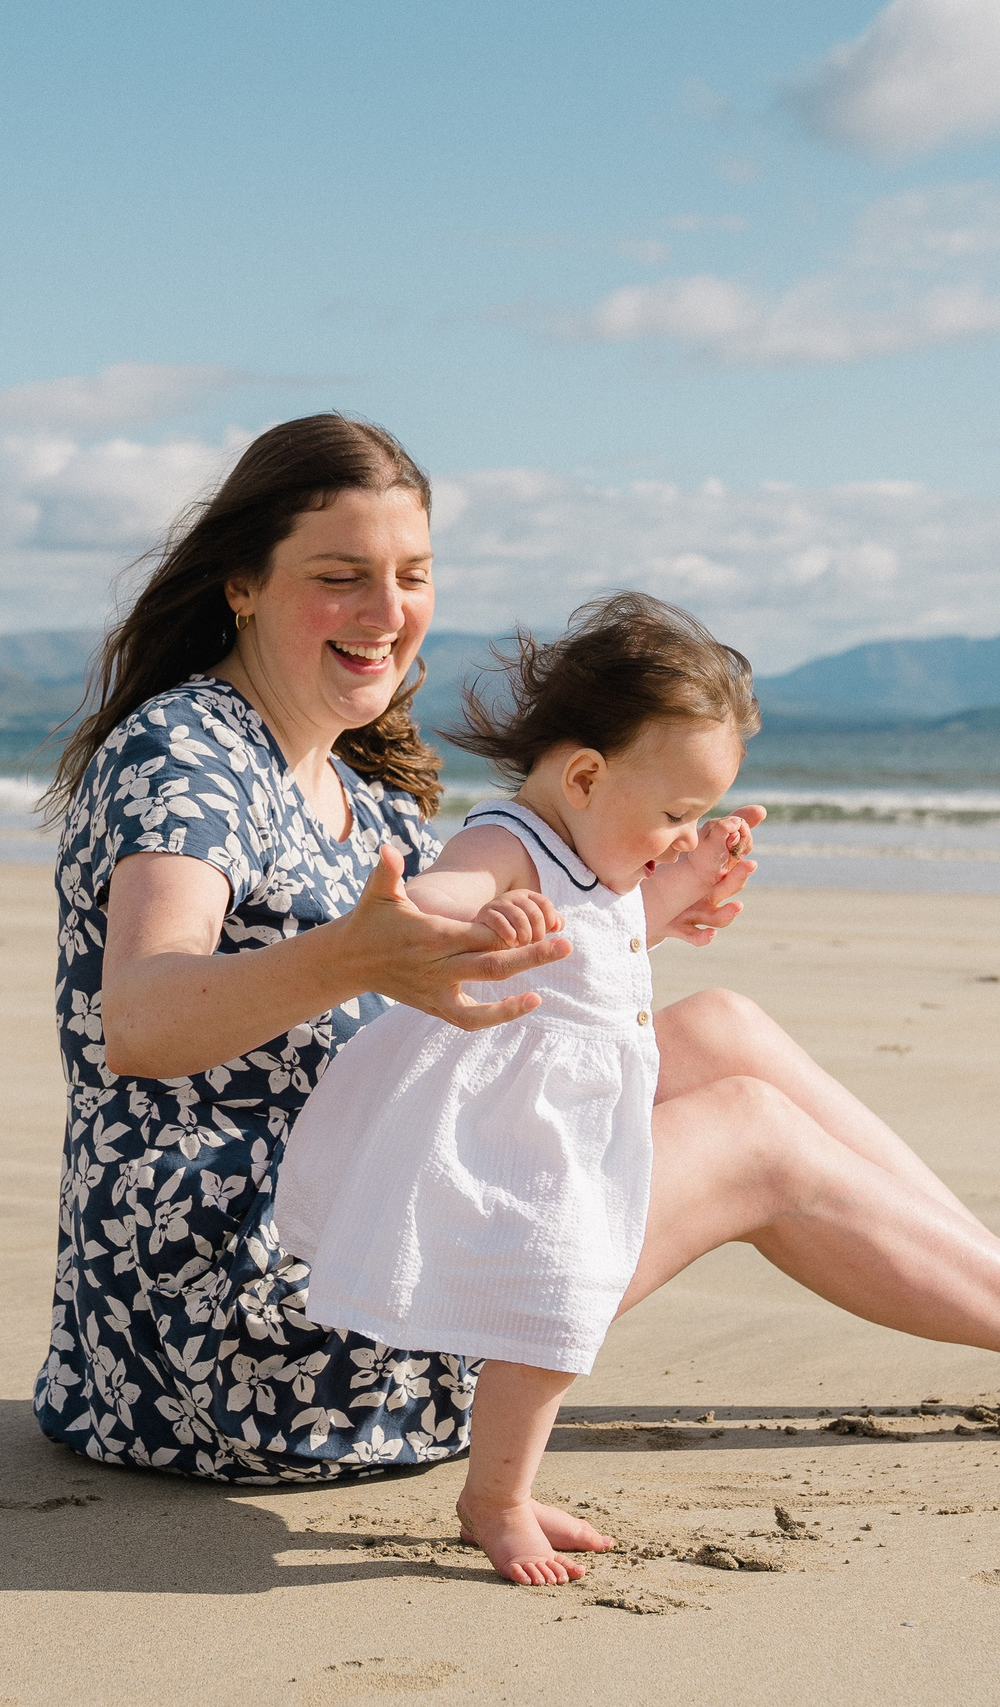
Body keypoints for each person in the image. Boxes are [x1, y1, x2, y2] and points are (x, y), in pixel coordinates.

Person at [32, 413, 1000, 1527]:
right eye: (342, 576)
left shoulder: (361, 779)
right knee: (752, 1139)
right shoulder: (184, 756)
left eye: (413, 574)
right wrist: (354, 955)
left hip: (346, 1213)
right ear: (242, 583)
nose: (388, 614)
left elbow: (449, 987)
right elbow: (142, 1019)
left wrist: (629, 921)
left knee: (720, 1026)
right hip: (243, 1333)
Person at [273, 591, 763, 1582]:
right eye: (675, 813)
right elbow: (445, 890)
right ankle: (494, 1499)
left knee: (558, 1316)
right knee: (553, 1312)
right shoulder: (508, 842)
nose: (680, 834)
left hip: (571, 1139)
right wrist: (461, 921)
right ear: (583, 775)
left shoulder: (598, 860)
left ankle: (505, 1483)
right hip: (501, 1138)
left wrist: (684, 884)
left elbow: (609, 931)